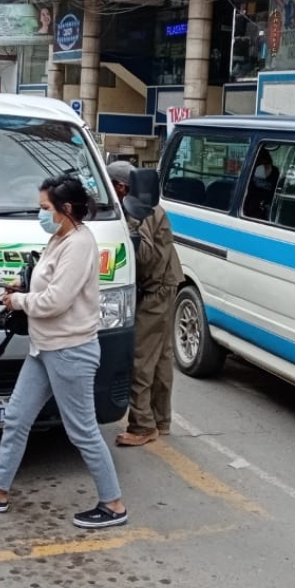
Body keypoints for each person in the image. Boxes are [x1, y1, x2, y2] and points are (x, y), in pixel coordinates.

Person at [0, 174, 128, 529]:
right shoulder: (59, 237)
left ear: (65, 209)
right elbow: (45, 279)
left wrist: (18, 300)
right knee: (17, 417)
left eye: (45, 207)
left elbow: (55, 301)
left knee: (82, 431)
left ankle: (112, 504)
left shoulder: (80, 244)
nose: (40, 213)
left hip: (70, 350)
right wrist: (22, 282)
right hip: (44, 347)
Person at [106, 161, 184, 446]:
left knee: (141, 357)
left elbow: (146, 256)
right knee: (161, 356)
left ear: (122, 187)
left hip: (156, 289)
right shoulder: (147, 204)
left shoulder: (138, 211)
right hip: (166, 283)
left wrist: (128, 234)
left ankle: (141, 425)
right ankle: (160, 420)